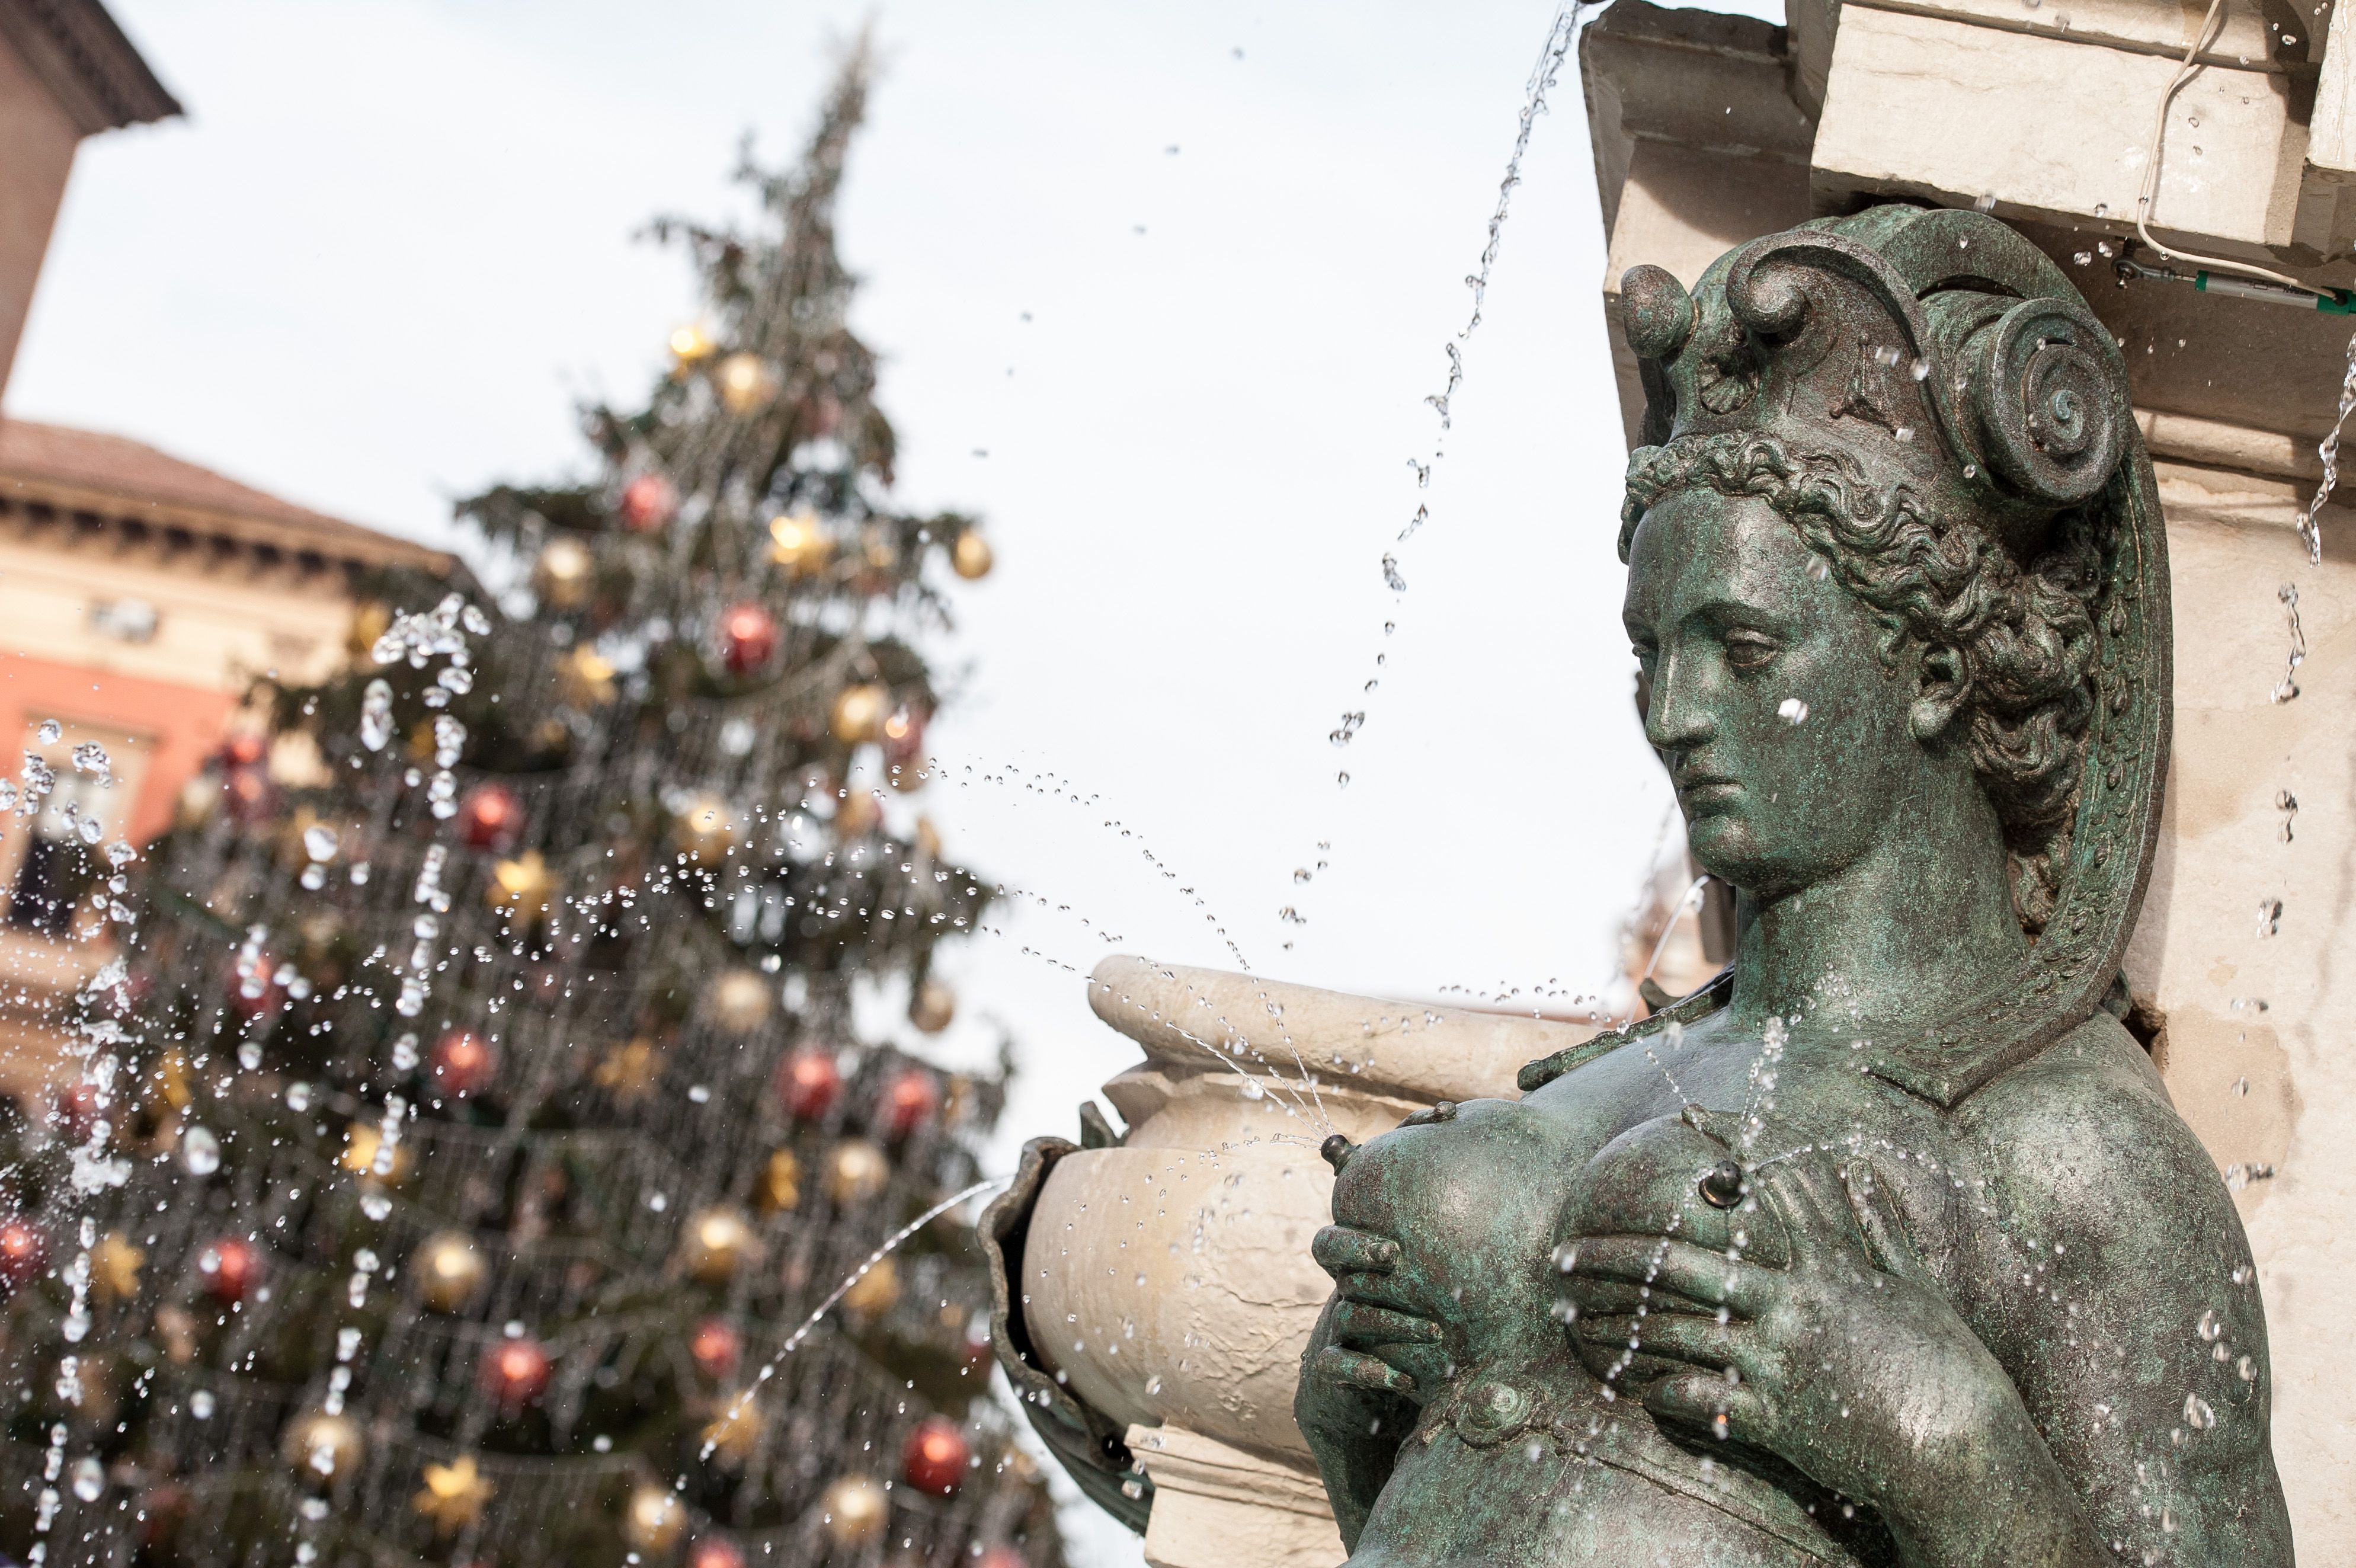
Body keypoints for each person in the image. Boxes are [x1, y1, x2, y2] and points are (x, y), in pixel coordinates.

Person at [1296, 206, 2292, 1566]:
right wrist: (1351, 1418)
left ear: (1931, 673)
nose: (1674, 711)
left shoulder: (2071, 1156)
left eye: (1742, 645)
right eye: (1651, 648)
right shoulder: (1631, 1065)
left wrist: (1945, 1445)